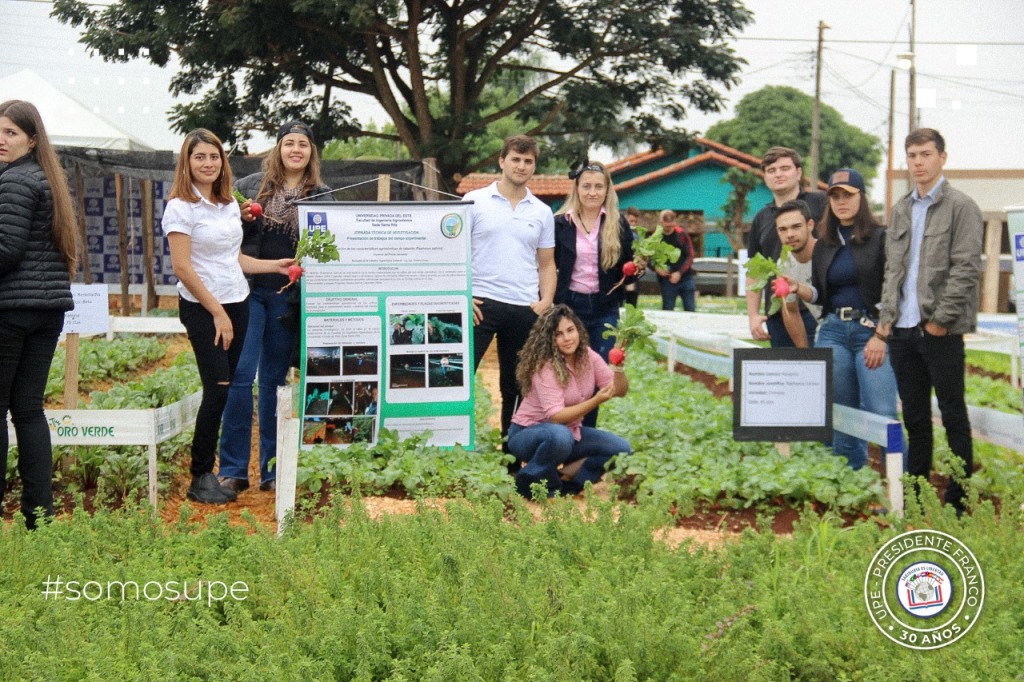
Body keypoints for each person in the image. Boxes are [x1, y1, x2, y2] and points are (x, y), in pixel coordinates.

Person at [162, 128, 295, 505]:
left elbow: (233, 259)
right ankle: (200, 475)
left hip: (237, 299)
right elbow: (183, 268)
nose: (208, 163)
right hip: (205, 307)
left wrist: (276, 266)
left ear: (223, 162)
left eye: (214, 157)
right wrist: (217, 312)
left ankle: (208, 473)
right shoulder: (180, 207)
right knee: (218, 389)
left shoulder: (226, 205)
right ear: (186, 164)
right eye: (199, 157)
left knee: (226, 387)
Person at [218, 120, 332, 494]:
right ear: (278, 149)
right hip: (248, 292)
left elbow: (331, 248)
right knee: (239, 377)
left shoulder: (322, 195)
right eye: (289, 143)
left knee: (273, 381)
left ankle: (272, 469)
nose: (296, 150)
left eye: (303, 144)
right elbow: (226, 234)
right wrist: (241, 215)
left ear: (311, 152)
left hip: (288, 297)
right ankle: (233, 468)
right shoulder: (250, 187)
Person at [876, 129, 984, 514]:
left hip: (940, 331)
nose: (918, 162)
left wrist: (939, 322)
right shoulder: (902, 208)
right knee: (916, 419)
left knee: (954, 415)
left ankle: (958, 501)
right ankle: (918, 498)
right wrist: (887, 320)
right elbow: (894, 269)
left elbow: (967, 268)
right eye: (912, 155)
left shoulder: (962, 207)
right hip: (902, 332)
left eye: (926, 154)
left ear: (942, 157)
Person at [789, 168, 900, 470]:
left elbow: (894, 289)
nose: (841, 202)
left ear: (861, 198)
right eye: (835, 196)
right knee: (841, 411)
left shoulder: (881, 238)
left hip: (871, 332)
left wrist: (881, 334)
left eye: (847, 195)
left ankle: (902, 491)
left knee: (882, 410)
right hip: (834, 332)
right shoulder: (824, 245)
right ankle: (852, 481)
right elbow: (824, 297)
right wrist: (800, 289)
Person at [0, 100, 77, 529]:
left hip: (11, 308)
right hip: (47, 310)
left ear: (32, 139)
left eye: (11, 132)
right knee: (28, 410)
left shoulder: (13, 182)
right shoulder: (46, 178)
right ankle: (39, 516)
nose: (2, 140)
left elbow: (6, 251)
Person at [465, 135, 556, 444]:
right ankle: (454, 444)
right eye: (515, 159)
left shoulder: (542, 212)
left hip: (523, 307)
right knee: (459, 375)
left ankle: (511, 446)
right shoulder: (473, 201)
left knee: (516, 384)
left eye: (528, 161)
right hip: (480, 304)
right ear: (501, 161)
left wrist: (546, 302)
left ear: (534, 166)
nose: (521, 165)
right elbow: (452, 254)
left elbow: (546, 263)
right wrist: (460, 295)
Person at [507, 305, 632, 499]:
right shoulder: (545, 366)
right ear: (549, 339)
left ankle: (568, 481)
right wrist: (596, 400)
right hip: (528, 435)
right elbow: (556, 417)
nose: (567, 338)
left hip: (569, 433)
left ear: (578, 330)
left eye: (570, 330)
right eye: (558, 334)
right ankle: (529, 478)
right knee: (560, 436)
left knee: (622, 449)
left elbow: (619, 391)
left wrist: (619, 367)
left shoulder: (588, 356)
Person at [553, 161, 635, 361]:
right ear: (577, 188)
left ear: (607, 190)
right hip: (569, 305)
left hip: (605, 305)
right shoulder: (560, 223)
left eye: (599, 187)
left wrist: (638, 266)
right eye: (586, 186)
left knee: (602, 365)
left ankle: (597, 394)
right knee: (570, 364)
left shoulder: (618, 223)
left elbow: (630, 269)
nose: (592, 192)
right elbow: (547, 266)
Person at [746, 147, 827, 345]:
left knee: (825, 374)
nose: (778, 174)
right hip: (779, 312)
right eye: (771, 170)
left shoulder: (822, 204)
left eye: (785, 168)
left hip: (820, 310)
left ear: (798, 173)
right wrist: (753, 315)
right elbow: (755, 271)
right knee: (786, 374)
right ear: (765, 177)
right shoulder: (761, 218)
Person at [773, 199, 820, 348]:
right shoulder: (784, 264)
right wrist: (804, 353)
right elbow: (791, 310)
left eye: (796, 227)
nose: (790, 234)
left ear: (810, 225)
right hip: (824, 329)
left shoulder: (828, 253)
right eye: (783, 229)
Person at [652, 210, 695, 311]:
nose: (668, 228)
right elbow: (650, 257)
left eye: (671, 225)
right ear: (661, 223)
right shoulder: (656, 237)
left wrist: (679, 273)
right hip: (667, 279)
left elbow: (690, 255)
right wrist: (656, 268)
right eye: (666, 226)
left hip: (685, 277)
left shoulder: (681, 235)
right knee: (668, 309)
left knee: (690, 308)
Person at [622, 207, 643, 307]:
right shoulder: (617, 233)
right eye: (631, 221)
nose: (633, 224)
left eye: (635, 222)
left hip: (633, 274)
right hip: (619, 273)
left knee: (632, 303)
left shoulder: (638, 235)